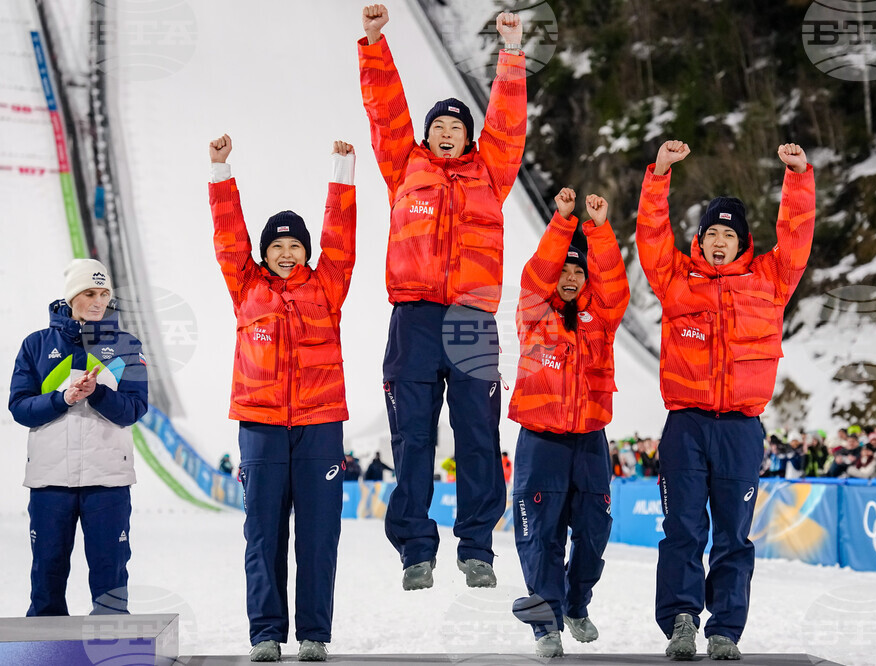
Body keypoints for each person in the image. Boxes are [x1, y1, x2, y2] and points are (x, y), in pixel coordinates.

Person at [358, 4, 526, 591]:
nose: (447, 130)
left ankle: (476, 545)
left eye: (457, 124)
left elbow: (508, 121)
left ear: (469, 134)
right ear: (427, 135)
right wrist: (375, 44)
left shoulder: (491, 173)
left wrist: (510, 53)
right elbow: (386, 114)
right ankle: (415, 549)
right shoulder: (405, 167)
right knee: (413, 436)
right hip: (415, 317)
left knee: (479, 433)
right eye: (439, 125)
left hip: (473, 319)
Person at [637, 139, 814, 660]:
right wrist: (660, 174)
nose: (718, 241)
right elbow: (650, 237)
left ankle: (724, 631)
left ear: (743, 242)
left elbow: (796, 235)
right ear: (701, 239)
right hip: (686, 425)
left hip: (741, 428)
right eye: (711, 232)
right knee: (683, 530)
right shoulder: (676, 280)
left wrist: (798, 177)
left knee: (734, 537)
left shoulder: (771, 279)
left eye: (728, 234)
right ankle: (682, 621)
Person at [209, 134, 357, 663]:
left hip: (320, 426)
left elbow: (341, 240)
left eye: (296, 246)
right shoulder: (247, 287)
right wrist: (220, 173)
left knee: (318, 537)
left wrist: (342, 173)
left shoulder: (328, 287)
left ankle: (314, 634)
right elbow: (229, 239)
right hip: (261, 424)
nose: (288, 254)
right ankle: (265, 633)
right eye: (278, 246)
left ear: (307, 252)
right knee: (263, 536)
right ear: (265, 253)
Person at [508, 188, 629, 657]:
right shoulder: (533, 316)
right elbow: (536, 273)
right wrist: (562, 223)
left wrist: (597, 230)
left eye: (579, 270)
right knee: (541, 534)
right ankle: (547, 625)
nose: (572, 276)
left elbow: (615, 285)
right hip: (541, 441)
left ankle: (576, 604)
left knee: (594, 530)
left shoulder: (602, 319)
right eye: (566, 270)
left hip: (590, 440)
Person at [8, 259, 148, 616]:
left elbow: (134, 408)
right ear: (71, 297)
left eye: (104, 293)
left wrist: (96, 393)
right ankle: (44, 653)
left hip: (108, 481)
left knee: (110, 577)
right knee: (47, 576)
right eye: (89, 293)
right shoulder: (36, 345)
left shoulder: (127, 346)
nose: (98, 301)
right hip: (50, 480)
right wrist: (64, 398)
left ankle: (111, 652)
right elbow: (20, 407)